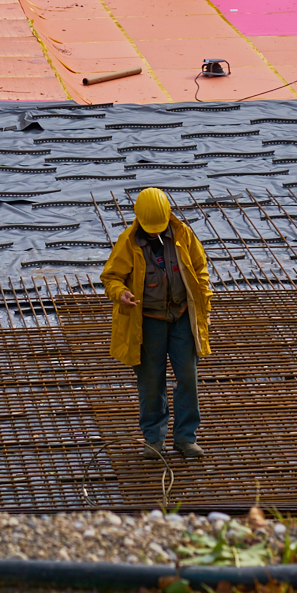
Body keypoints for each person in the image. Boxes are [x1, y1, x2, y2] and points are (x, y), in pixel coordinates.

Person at [100, 187, 211, 462]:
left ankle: (186, 439)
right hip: (148, 322)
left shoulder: (183, 234)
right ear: (138, 219)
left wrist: (204, 295)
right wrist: (120, 294)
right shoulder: (128, 242)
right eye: (149, 228)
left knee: (188, 379)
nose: (154, 232)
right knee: (151, 383)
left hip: (182, 317)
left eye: (157, 228)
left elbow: (200, 267)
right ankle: (154, 440)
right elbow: (111, 277)